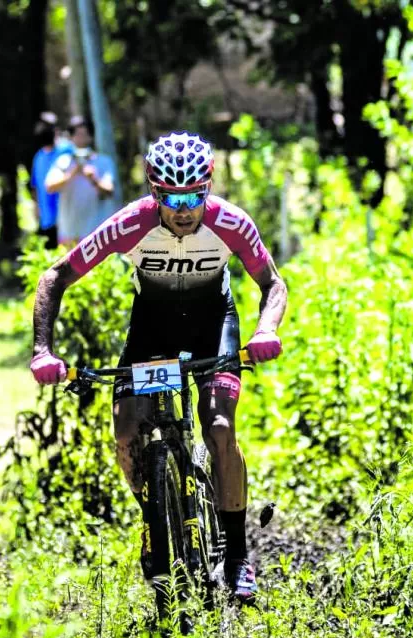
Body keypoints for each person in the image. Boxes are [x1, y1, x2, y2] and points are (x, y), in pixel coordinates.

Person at [29, 131, 288, 602]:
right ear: (155, 193)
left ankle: (236, 558)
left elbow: (272, 284)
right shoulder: (132, 223)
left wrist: (265, 330)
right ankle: (157, 515)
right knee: (127, 432)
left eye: (194, 196)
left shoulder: (230, 222)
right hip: (152, 331)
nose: (184, 208)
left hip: (214, 326)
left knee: (220, 428)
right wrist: (43, 350)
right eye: (172, 198)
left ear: (207, 189)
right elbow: (55, 277)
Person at [44, 116, 117, 247]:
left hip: (95, 231)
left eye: (84, 134)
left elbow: (110, 191)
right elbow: (49, 186)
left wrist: (93, 179)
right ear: (71, 137)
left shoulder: (103, 162)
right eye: (77, 134)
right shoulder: (62, 161)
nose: (81, 138)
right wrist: (71, 173)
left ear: (91, 136)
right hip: (68, 232)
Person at [30, 113, 72, 250]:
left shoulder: (67, 149)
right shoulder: (39, 157)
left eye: (47, 126)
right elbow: (35, 186)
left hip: (67, 218)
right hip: (47, 221)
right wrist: (36, 208)